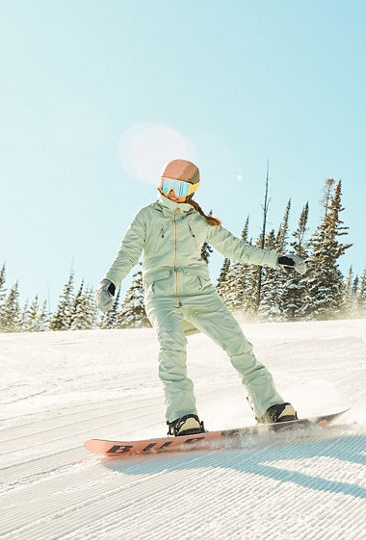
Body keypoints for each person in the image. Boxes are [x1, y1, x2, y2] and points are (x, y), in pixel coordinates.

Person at [96, 159, 307, 436]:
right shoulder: (146, 216)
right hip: (162, 296)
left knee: (238, 344)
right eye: (168, 186)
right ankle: (182, 417)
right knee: (172, 348)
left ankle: (270, 407)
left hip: (200, 294)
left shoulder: (200, 221)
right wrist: (110, 281)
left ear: (191, 191)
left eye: (179, 188)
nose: (172, 194)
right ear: (160, 183)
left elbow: (236, 249)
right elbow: (128, 252)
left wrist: (276, 259)